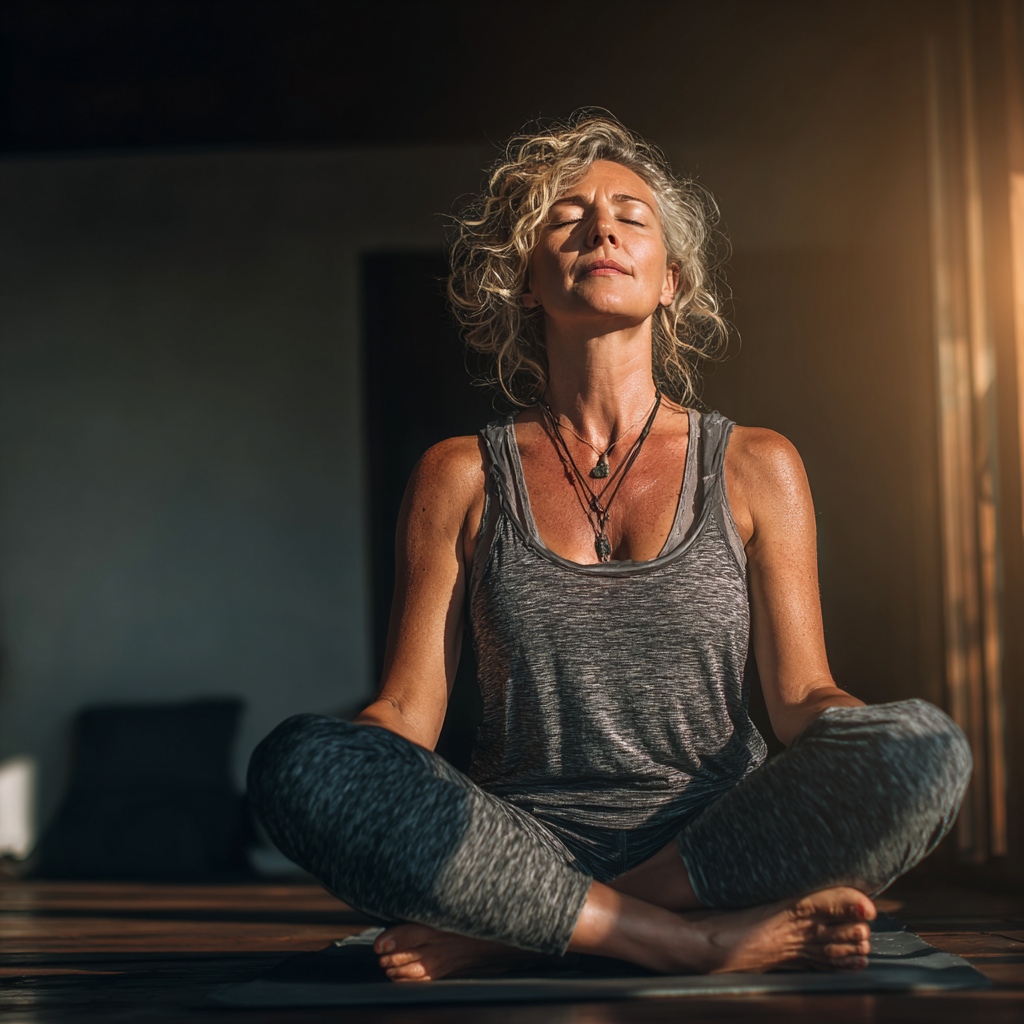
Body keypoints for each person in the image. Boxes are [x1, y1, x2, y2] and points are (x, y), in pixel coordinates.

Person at [248, 113, 971, 981]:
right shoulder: (461, 475)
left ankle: (538, 929)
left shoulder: (755, 464)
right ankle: (691, 941)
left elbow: (801, 696)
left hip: (714, 842)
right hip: (510, 849)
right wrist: (352, 776)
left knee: (928, 745)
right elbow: (408, 713)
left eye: (631, 216)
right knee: (296, 762)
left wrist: (873, 747)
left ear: (671, 280)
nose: (601, 228)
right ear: (523, 279)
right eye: (566, 216)